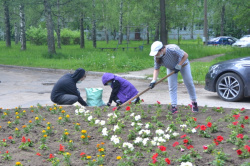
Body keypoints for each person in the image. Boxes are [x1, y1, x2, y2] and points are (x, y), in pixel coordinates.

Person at [149, 41, 198, 114]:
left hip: (183, 64)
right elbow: (156, 69)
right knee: (172, 87)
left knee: (189, 82)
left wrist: (179, 65)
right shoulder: (156, 57)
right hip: (171, 68)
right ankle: (174, 106)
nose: (156, 54)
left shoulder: (173, 49)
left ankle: (194, 102)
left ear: (161, 49)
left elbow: (185, 55)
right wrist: (153, 80)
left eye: (157, 52)